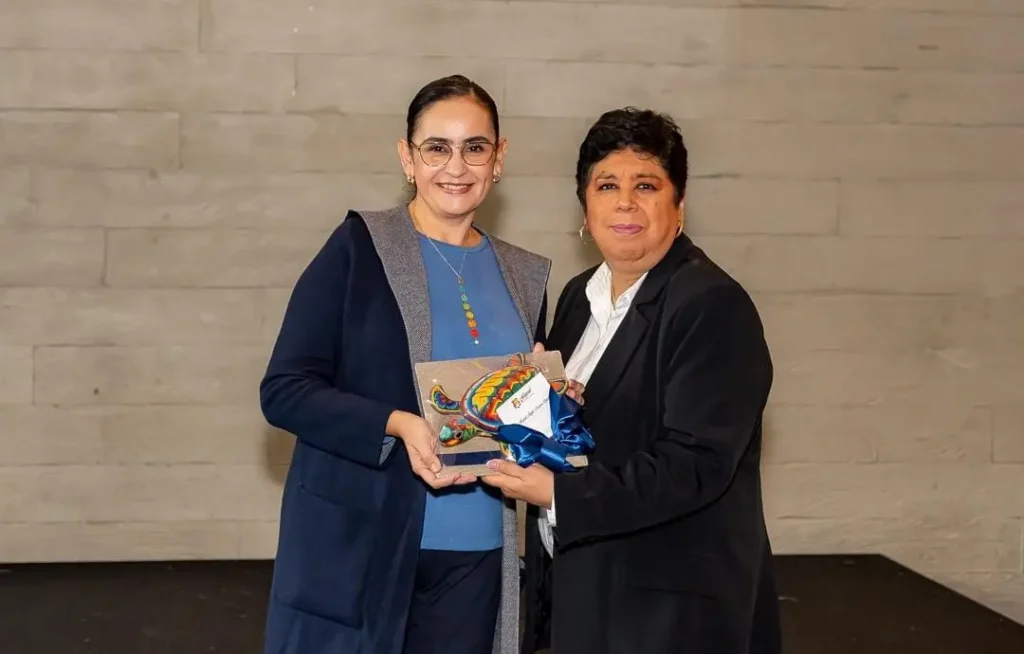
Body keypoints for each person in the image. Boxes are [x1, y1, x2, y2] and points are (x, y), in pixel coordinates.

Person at [259, 74, 552, 654]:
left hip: (477, 558)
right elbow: (285, 389)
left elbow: (520, 418)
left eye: (475, 147)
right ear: (407, 158)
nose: (457, 166)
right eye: (436, 148)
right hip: (361, 546)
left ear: (499, 159)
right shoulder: (357, 247)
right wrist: (397, 423)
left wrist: (550, 401)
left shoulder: (527, 276)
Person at [481, 107, 783, 654]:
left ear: (679, 204)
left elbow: (696, 465)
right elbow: (590, 431)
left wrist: (560, 494)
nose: (625, 202)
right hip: (587, 597)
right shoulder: (578, 297)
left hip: (671, 613)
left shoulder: (711, 305)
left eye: (646, 184)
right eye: (606, 185)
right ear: (585, 204)